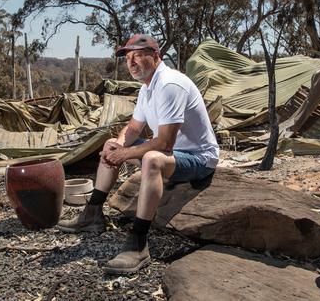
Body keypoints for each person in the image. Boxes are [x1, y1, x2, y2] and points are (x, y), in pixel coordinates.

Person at [60, 34, 219, 275]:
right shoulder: (147, 88)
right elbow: (134, 128)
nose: (131, 63)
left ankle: (138, 243)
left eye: (138, 56)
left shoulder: (169, 85)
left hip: (198, 158)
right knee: (112, 144)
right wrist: (119, 146)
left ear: (156, 57)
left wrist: (126, 154)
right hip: (174, 154)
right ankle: (92, 214)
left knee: (152, 159)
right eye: (128, 58)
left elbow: (165, 143)